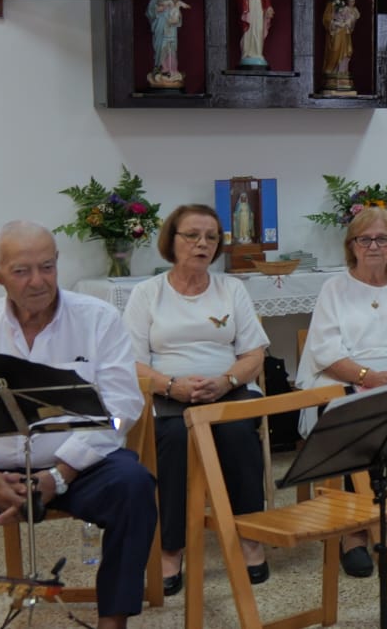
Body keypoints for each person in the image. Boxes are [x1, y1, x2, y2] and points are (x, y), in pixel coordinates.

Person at [0, 222, 156, 628]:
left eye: (47, 267)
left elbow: (122, 408)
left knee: (133, 486)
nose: (38, 281)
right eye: (21, 271)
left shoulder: (98, 319)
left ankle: (113, 621)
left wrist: (60, 475)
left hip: (78, 469)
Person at [126, 204, 270, 595]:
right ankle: (171, 547)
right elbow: (132, 362)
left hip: (227, 388)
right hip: (166, 393)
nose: (202, 244)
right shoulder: (147, 294)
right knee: (174, 439)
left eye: (210, 237)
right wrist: (171, 385)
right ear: (171, 241)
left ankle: (249, 536)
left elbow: (254, 355)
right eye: (192, 235)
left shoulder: (231, 289)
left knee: (238, 433)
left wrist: (226, 381)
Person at [297, 206, 387, 575]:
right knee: (352, 418)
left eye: (382, 239)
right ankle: (354, 532)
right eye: (365, 239)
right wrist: (366, 376)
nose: (374, 246)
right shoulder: (335, 289)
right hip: (350, 375)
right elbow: (325, 351)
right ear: (352, 246)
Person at [146, 0, 189, 86]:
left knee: (171, 48)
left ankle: (170, 69)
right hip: (160, 26)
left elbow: (177, 12)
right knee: (160, 47)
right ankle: (159, 68)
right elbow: (149, 12)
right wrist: (158, 10)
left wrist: (177, 17)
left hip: (171, 27)